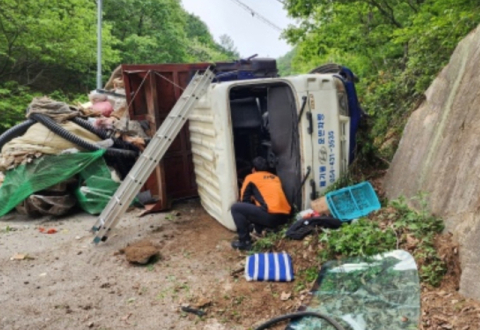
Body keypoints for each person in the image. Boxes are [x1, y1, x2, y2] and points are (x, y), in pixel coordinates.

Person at [230, 156, 291, 250]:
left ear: (253, 169)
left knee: (236, 208)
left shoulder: (251, 177)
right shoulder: (275, 177)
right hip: (285, 216)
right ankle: (265, 228)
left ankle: (245, 242)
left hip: (271, 216)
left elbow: (244, 200)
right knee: (261, 206)